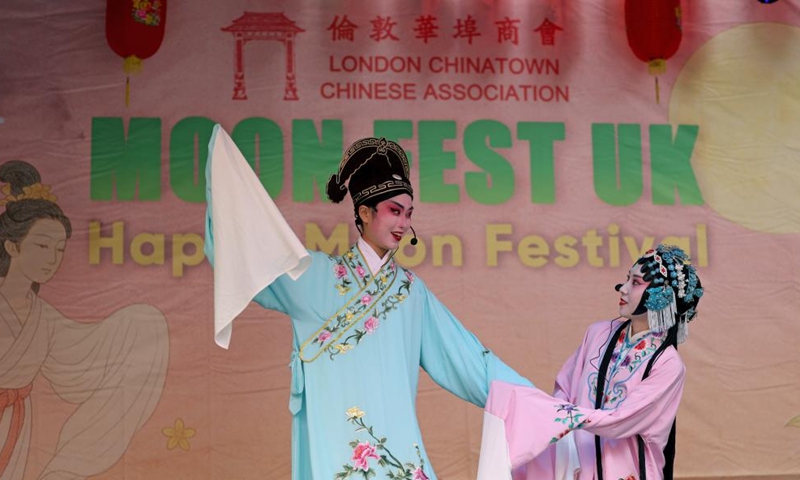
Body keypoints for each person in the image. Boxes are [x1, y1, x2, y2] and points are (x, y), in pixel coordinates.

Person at [203, 126, 531, 480]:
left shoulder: (410, 292)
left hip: (399, 448)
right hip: (336, 451)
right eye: (394, 211)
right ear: (364, 212)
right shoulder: (316, 279)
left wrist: (539, 405)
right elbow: (253, 253)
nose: (403, 223)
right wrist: (226, 180)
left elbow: (468, 359)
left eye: (409, 213)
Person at [0, 160, 168, 480]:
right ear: (12, 246)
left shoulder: (42, 317)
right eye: (42, 245)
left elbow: (85, 353)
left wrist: (140, 327)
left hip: (14, 424)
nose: (52, 259)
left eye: (59, 249)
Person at [477, 244, 704, 480]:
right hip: (580, 465)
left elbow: (622, 420)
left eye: (635, 282)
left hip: (630, 471)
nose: (623, 288)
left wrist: (565, 417)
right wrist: (547, 418)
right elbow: (564, 389)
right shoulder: (598, 334)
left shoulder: (667, 364)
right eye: (627, 278)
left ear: (662, 296)